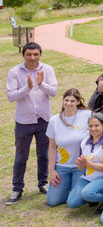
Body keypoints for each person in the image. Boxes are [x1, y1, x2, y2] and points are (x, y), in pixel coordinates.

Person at [6, 42, 58, 205]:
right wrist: (27, 88)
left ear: (40, 55)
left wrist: (41, 84)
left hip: (43, 120)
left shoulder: (47, 69)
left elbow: (54, 92)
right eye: (29, 54)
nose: (32, 57)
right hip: (24, 121)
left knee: (43, 155)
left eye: (36, 54)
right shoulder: (14, 72)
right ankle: (17, 189)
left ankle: (42, 184)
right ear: (23, 55)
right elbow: (11, 96)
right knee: (21, 156)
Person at [45, 89, 91, 207]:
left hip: (81, 167)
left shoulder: (87, 115)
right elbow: (52, 146)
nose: (69, 103)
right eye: (66, 100)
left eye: (72, 101)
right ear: (63, 101)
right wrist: (52, 170)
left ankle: (74, 188)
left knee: (77, 201)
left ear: (78, 102)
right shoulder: (54, 120)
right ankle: (68, 187)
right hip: (62, 167)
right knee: (52, 201)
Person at [67, 113, 103, 211]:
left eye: (96, 125)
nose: (93, 129)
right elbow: (81, 168)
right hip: (88, 177)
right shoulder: (84, 142)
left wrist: (88, 163)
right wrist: (80, 164)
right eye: (90, 126)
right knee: (72, 203)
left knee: (87, 193)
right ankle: (93, 196)